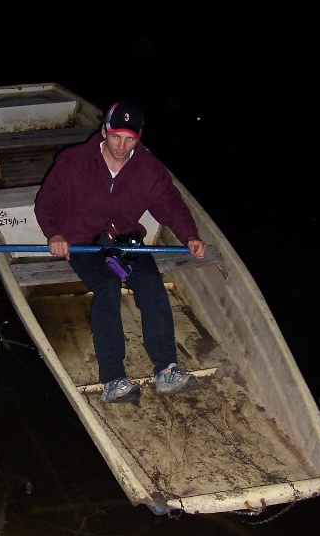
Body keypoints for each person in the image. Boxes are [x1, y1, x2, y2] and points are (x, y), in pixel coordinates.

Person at [34, 100, 207, 404]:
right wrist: (55, 234)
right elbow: (47, 202)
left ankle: (167, 369)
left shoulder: (149, 168)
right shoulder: (74, 162)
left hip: (126, 243)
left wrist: (190, 235)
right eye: (115, 136)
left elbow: (171, 206)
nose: (121, 145)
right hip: (83, 242)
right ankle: (113, 379)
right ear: (104, 130)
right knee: (107, 285)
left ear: (139, 139)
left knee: (152, 284)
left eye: (130, 139)